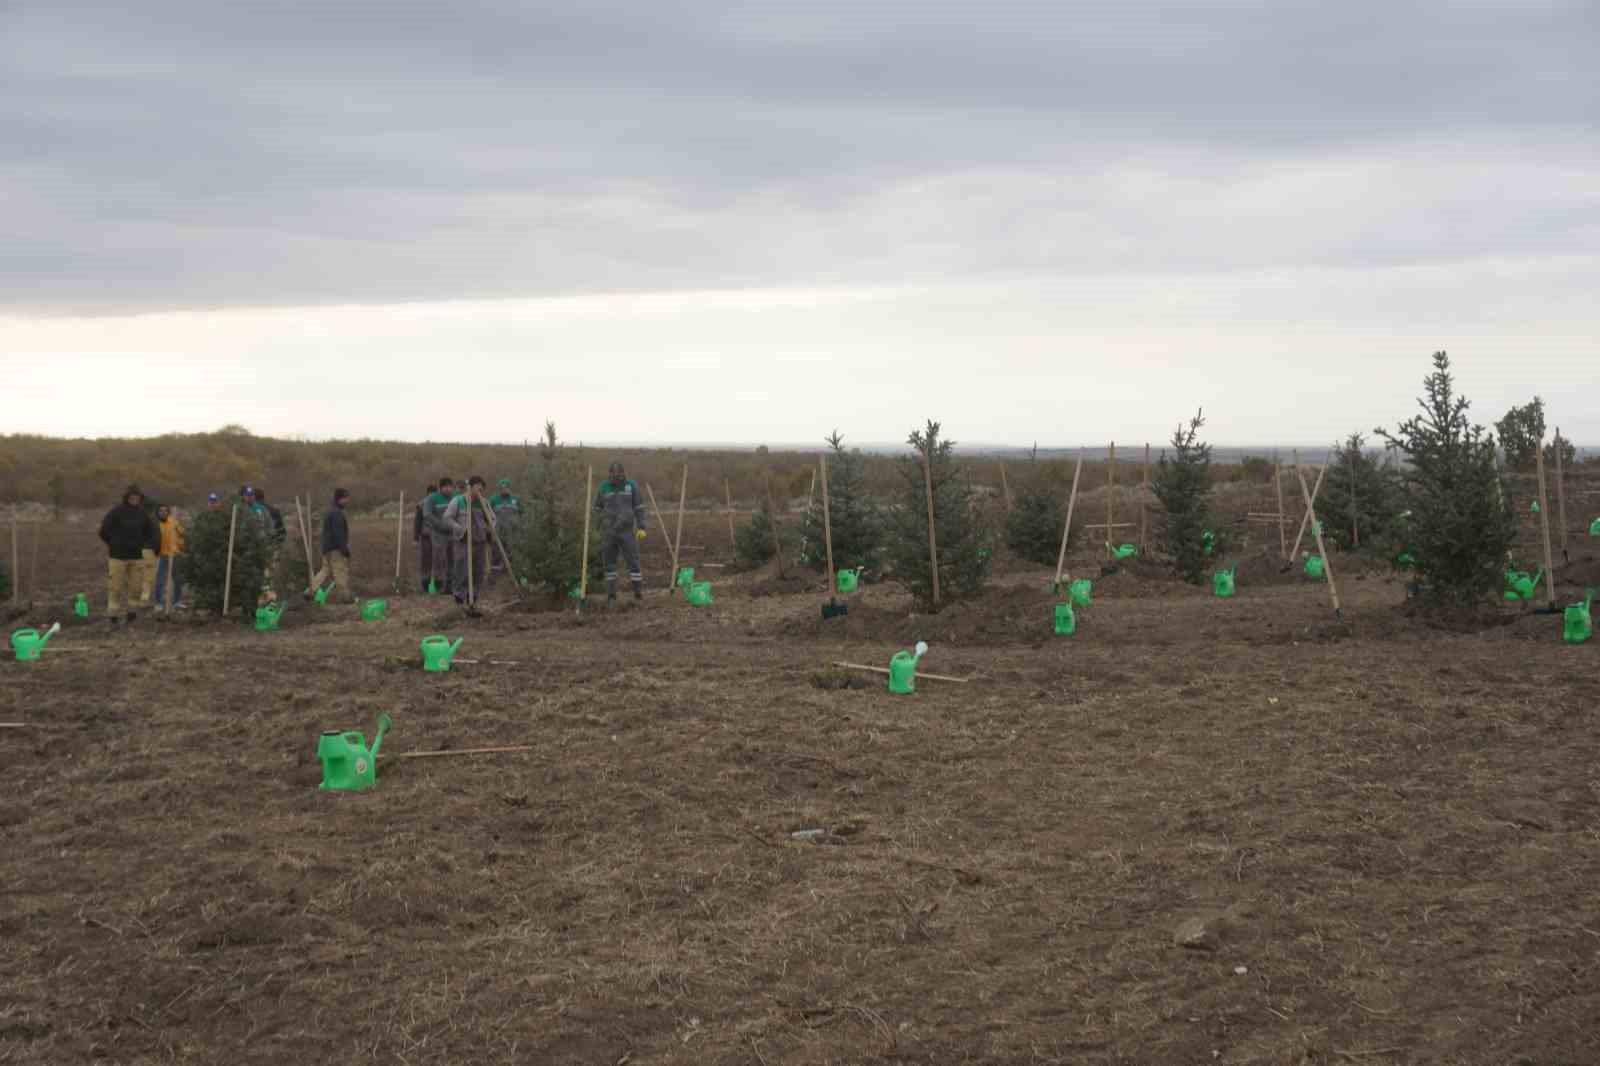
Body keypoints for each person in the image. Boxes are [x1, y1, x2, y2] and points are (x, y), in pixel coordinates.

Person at [98, 484, 158, 627]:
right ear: (127, 498)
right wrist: (113, 543)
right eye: (132, 497)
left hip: (136, 556)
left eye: (137, 498)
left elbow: (151, 532)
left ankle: (131, 613)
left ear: (140, 499)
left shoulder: (143, 514)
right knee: (115, 587)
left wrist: (146, 544)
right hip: (117, 556)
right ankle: (113, 614)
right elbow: (103, 530)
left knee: (136, 587)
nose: (135, 500)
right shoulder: (116, 512)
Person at [593, 460, 648, 606]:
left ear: (624, 473)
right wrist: (595, 529)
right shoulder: (604, 487)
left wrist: (641, 526)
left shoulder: (631, 486)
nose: (616, 475)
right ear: (609, 474)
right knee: (609, 564)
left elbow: (639, 507)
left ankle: (638, 595)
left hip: (627, 532)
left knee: (633, 562)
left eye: (619, 473)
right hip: (608, 533)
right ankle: (611, 597)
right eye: (613, 473)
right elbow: (597, 509)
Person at [444, 476, 491, 607]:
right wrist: (459, 528)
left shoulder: (484, 502)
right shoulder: (458, 500)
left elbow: (492, 519)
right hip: (463, 541)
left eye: (482, 488)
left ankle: (473, 599)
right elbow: (447, 518)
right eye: (478, 487)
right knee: (461, 570)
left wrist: (488, 528)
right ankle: (459, 599)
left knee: (478, 571)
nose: (480, 490)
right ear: (470, 487)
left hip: (480, 541)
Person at [307, 488, 355, 602]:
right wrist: (344, 550)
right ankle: (345, 596)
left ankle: (311, 591)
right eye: (346, 498)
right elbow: (338, 533)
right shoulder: (337, 514)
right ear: (340, 499)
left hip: (327, 548)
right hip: (335, 549)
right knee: (340, 571)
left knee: (325, 570)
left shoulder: (331, 511)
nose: (348, 500)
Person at [423, 477, 456, 593]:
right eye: (445, 487)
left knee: (453, 558)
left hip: (453, 533)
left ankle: (450, 584)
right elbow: (427, 515)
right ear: (440, 488)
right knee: (439, 558)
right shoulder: (432, 499)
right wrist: (440, 525)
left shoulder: (455, 498)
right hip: (438, 534)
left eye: (450, 486)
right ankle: (438, 583)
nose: (448, 489)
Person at [153, 503, 185, 611]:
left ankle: (177, 601)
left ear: (168, 512)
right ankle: (158, 602)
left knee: (177, 580)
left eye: (165, 511)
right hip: (162, 555)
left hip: (174, 554)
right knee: (160, 580)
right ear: (158, 513)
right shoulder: (156, 524)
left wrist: (177, 526)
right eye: (161, 511)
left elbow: (182, 534)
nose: (163, 513)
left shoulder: (173, 521)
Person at [487, 478, 521, 571]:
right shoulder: (493, 500)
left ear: (509, 488)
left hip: (513, 531)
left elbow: (522, 513)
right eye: (502, 488)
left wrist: (520, 526)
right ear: (499, 489)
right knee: (496, 550)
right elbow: (487, 514)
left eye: (506, 488)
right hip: (498, 530)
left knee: (512, 550)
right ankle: (496, 571)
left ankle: (511, 570)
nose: (504, 490)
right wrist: (489, 529)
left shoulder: (516, 499)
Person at [139, 498, 162, 610]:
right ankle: (144, 600)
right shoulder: (155, 522)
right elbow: (156, 539)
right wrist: (158, 551)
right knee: (149, 577)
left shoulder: (143, 520)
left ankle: (142, 598)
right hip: (151, 551)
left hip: (143, 550)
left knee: (144, 575)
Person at [413, 484, 436, 592]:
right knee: (426, 561)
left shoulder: (439, 503)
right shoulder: (421, 505)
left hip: (439, 537)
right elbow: (417, 523)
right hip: (426, 536)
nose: (432, 496)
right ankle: (425, 584)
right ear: (428, 493)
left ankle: (438, 583)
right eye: (431, 493)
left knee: (439, 560)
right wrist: (416, 539)